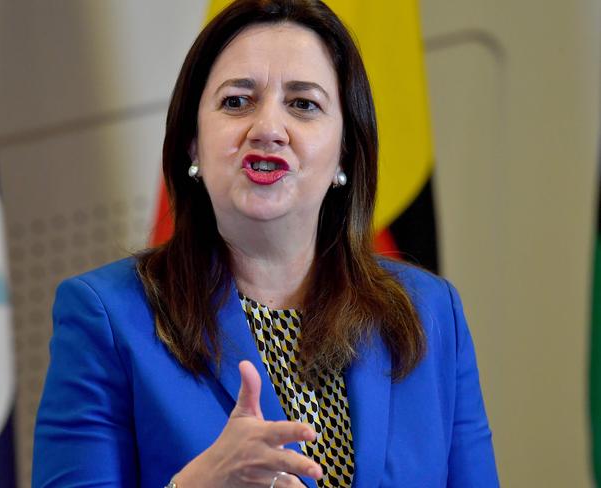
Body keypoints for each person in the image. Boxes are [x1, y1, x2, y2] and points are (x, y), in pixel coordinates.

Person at [32, 1, 499, 487]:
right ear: (193, 142)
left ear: (344, 150)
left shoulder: (429, 313)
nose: (269, 129)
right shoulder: (106, 318)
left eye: (303, 104)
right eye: (237, 101)